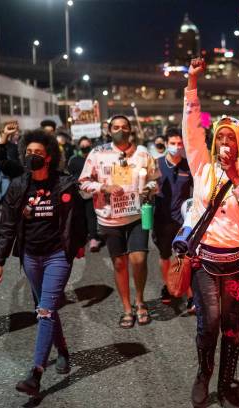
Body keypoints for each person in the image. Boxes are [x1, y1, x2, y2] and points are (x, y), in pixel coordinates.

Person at [184, 58, 239, 408]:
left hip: (237, 263)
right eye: (219, 138)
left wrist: (237, 179)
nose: (224, 144)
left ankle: (226, 381)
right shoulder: (202, 167)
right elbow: (192, 129)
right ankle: (204, 375)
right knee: (211, 322)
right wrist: (191, 82)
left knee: (233, 326)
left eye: (229, 139)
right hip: (205, 261)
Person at [0, 129, 87, 395]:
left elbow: (78, 220)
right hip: (31, 257)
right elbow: (7, 224)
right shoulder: (19, 186)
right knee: (46, 307)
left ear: (49, 158)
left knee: (45, 310)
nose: (32, 157)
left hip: (57, 255)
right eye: (29, 153)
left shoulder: (64, 184)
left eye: (38, 153)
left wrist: (77, 246)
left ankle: (36, 372)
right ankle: (63, 350)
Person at [79, 115, 159, 328]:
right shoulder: (97, 153)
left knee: (139, 259)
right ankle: (126, 308)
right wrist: (103, 188)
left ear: (131, 130)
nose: (120, 130)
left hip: (136, 215)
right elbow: (84, 182)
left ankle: (140, 301)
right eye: (116, 127)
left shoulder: (143, 153)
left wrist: (148, 189)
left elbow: (155, 181)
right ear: (109, 130)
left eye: (124, 127)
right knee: (119, 263)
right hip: (109, 217)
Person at [152, 128, 194, 308]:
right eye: (173, 143)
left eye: (179, 144)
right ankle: (169, 287)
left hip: (182, 220)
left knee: (184, 256)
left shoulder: (188, 166)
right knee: (164, 256)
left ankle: (190, 293)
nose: (176, 147)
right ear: (166, 144)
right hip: (161, 219)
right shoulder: (156, 164)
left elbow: (198, 190)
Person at [67, 136, 102, 252]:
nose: (85, 148)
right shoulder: (74, 160)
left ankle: (93, 238)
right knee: (80, 216)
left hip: (91, 192)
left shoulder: (96, 159)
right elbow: (70, 175)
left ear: (91, 146)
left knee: (91, 215)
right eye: (82, 147)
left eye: (86, 146)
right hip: (78, 192)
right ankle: (82, 238)